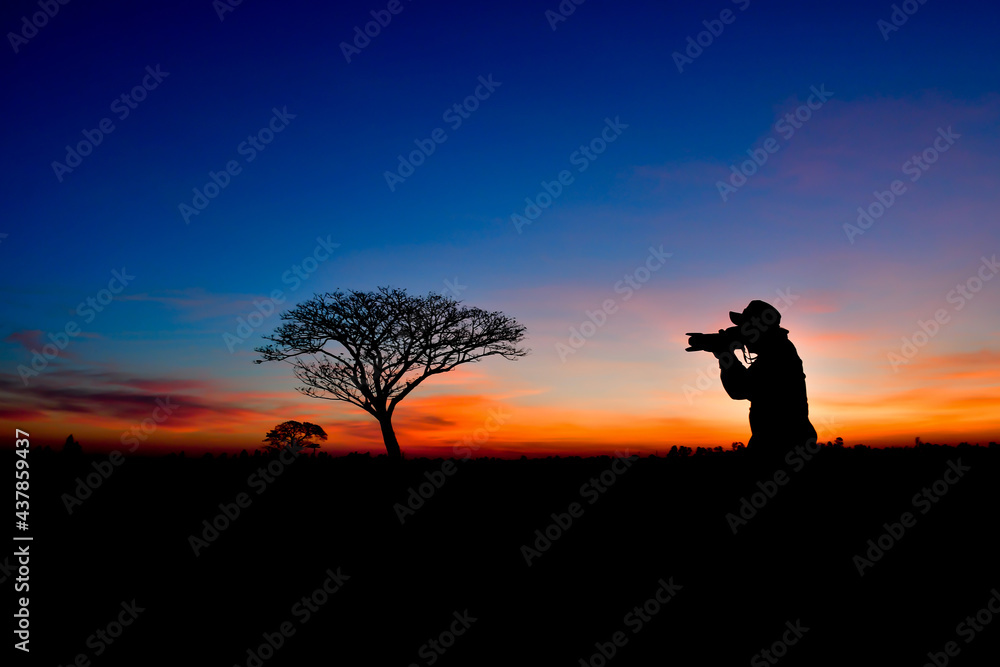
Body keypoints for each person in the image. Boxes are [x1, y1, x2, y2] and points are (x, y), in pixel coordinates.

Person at [713, 300, 817, 461]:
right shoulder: (778, 349)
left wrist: (725, 355)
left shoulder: (778, 354)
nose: (743, 333)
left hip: (780, 448)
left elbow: (739, 389)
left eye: (746, 327)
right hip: (785, 445)